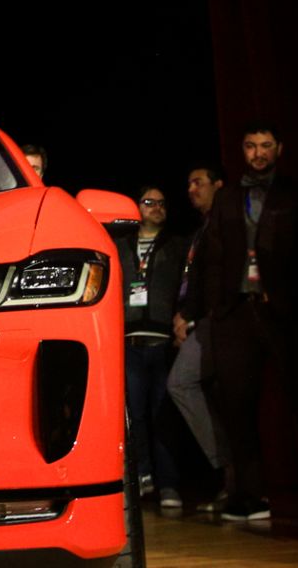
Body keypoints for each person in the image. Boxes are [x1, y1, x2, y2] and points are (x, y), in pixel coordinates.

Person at [180, 123, 298, 521]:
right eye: (250, 146)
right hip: (235, 312)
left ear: (280, 148)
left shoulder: (295, 193)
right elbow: (212, 258)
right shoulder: (228, 197)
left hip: (284, 310)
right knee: (237, 409)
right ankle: (251, 496)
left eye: (265, 146)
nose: (258, 153)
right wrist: (210, 308)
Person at [116, 185, 186, 508]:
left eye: (161, 203)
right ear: (137, 207)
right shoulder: (120, 247)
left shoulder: (177, 245)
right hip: (130, 342)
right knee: (137, 416)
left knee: (163, 414)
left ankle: (169, 483)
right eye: (148, 202)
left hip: (162, 343)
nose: (156, 207)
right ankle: (142, 477)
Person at [169, 165, 228, 500]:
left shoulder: (222, 225)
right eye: (189, 183)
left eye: (199, 183)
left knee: (181, 382)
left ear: (218, 185)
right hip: (197, 322)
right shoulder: (198, 231)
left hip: (215, 321)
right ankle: (227, 474)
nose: (192, 189)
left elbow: (214, 282)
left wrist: (190, 318)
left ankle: (230, 469)